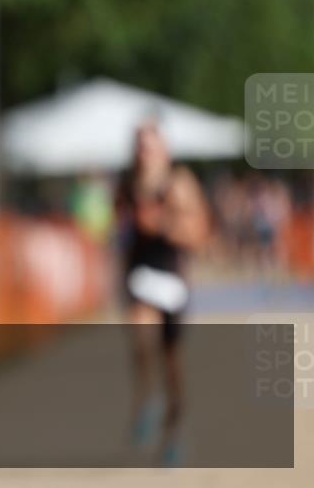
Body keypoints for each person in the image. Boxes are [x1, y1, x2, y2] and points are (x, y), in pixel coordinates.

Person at [115, 120, 209, 466]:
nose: (144, 151)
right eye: (139, 144)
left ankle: (175, 434)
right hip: (139, 277)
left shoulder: (179, 183)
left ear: (163, 149)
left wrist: (163, 224)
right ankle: (148, 401)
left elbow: (199, 232)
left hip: (171, 278)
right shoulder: (125, 185)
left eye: (150, 144)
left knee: (173, 365)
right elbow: (119, 232)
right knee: (141, 338)